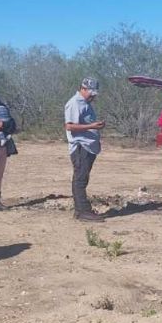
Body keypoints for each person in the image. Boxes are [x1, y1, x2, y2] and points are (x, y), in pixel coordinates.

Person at [64, 77, 106, 222]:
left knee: (82, 178)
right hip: (81, 147)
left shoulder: (85, 103)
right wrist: (92, 126)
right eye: (91, 92)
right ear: (83, 89)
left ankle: (80, 210)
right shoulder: (74, 103)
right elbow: (69, 126)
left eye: (94, 93)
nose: (93, 95)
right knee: (80, 179)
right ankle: (83, 211)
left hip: (88, 147)